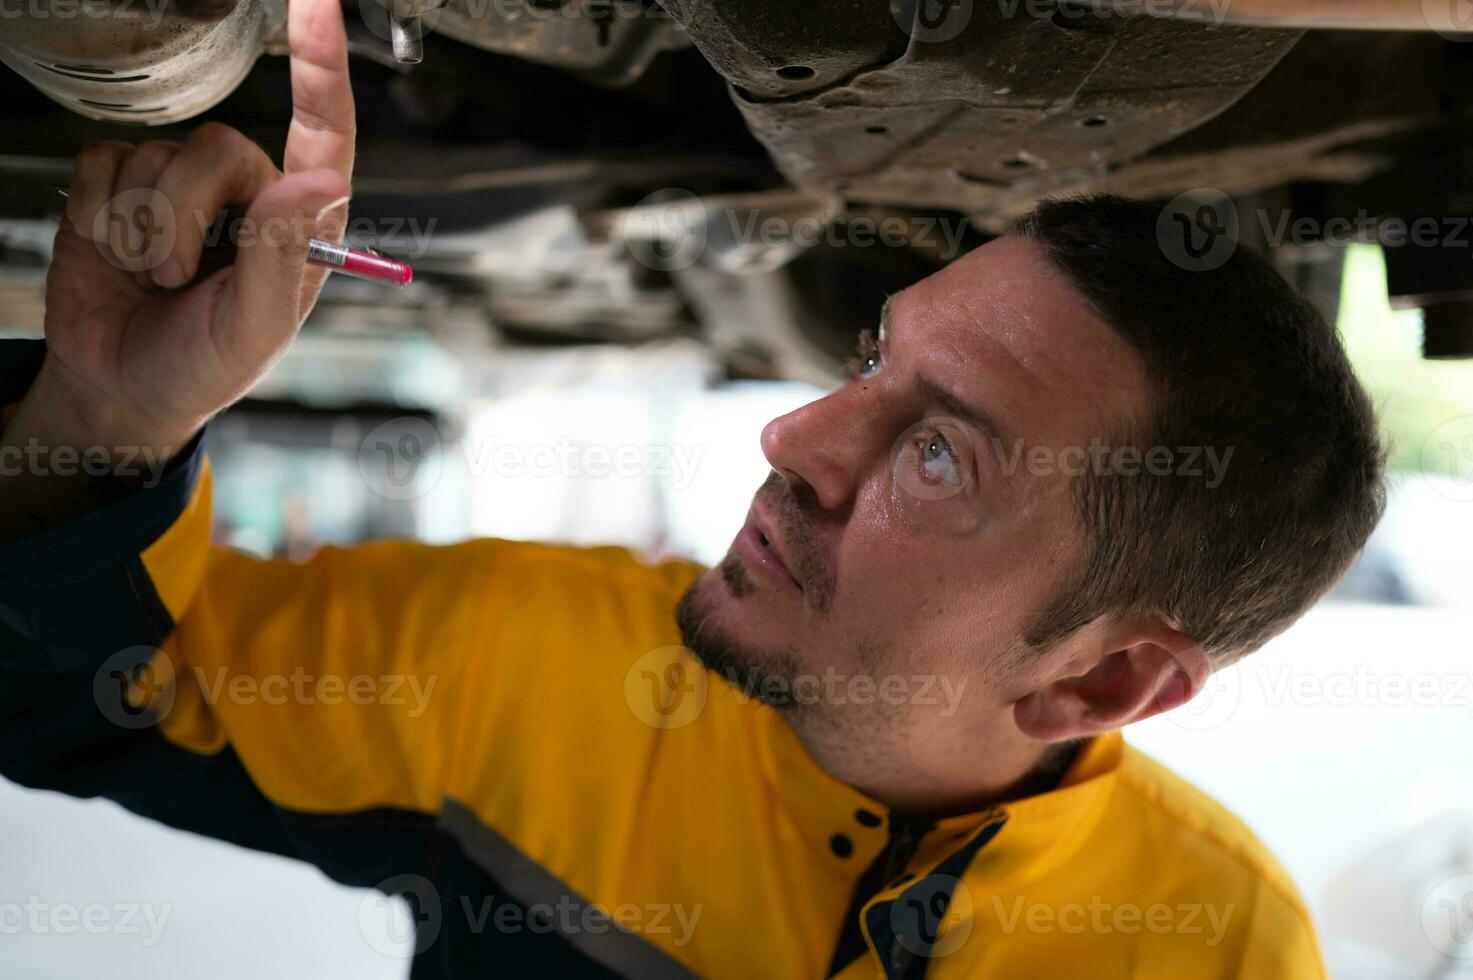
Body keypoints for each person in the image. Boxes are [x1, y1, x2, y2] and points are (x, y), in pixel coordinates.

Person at [0, 0, 1385, 974]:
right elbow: (76, 704)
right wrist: (95, 423)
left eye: (938, 450)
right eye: (868, 358)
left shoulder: (1222, 949)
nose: (795, 438)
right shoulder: (525, 659)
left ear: (1097, 684)